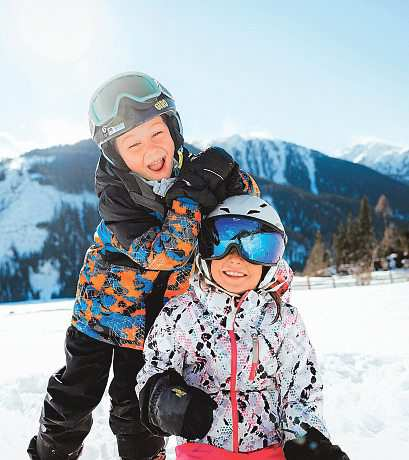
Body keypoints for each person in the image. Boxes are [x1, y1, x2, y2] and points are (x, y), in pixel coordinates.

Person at [27, 72, 259, 460]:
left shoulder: (190, 168)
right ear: (117, 156)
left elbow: (244, 208)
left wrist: (233, 179)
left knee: (136, 400)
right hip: (101, 312)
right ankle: (52, 452)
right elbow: (164, 253)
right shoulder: (116, 195)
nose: (151, 151)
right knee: (77, 391)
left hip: (155, 315)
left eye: (156, 134)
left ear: (174, 129)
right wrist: (187, 201)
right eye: (132, 144)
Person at [136, 195, 350, 460]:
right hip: (201, 449)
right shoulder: (180, 314)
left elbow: (300, 387)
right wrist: (164, 400)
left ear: (271, 261)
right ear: (204, 250)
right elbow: (154, 369)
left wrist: (308, 440)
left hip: (271, 451)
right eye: (221, 242)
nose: (236, 258)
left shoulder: (284, 320)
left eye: (257, 247)